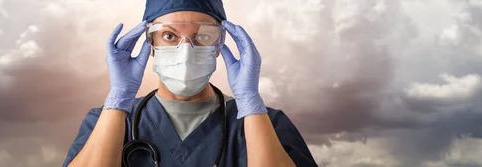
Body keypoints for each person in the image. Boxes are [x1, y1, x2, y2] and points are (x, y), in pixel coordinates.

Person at [63, 0, 317, 166]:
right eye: (169, 35)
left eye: (203, 36)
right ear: (150, 43)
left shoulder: (266, 124)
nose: (186, 50)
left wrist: (250, 103)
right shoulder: (107, 122)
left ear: (219, 46)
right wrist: (118, 99)